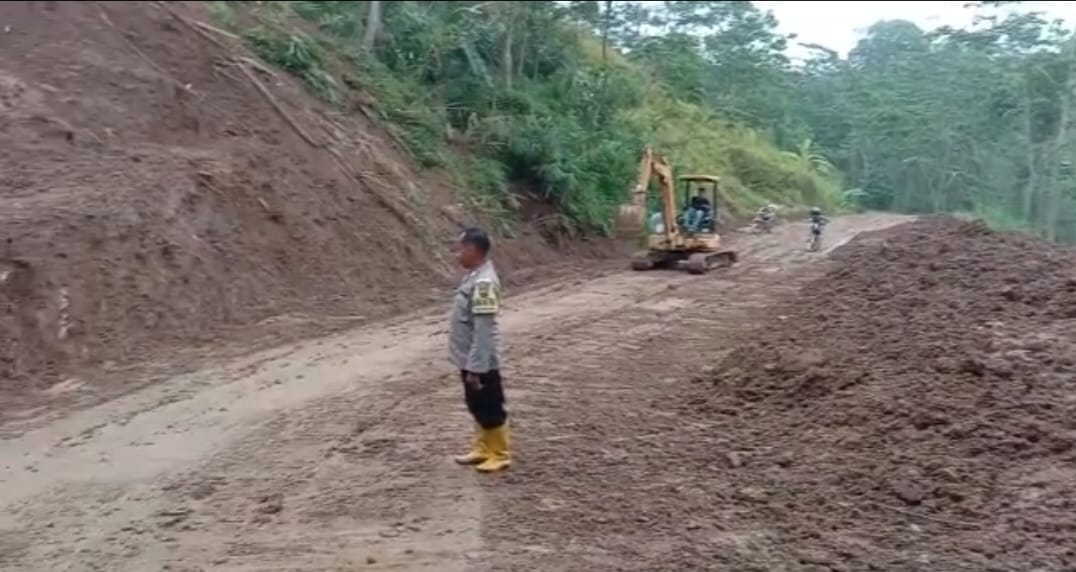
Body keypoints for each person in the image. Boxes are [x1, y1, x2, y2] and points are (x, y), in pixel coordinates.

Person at [449, 227, 511, 473]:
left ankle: (500, 453)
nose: (457, 254)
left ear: (472, 250)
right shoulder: (473, 276)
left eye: (459, 249)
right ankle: (483, 448)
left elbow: (483, 331)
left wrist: (476, 368)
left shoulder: (483, 283)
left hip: (481, 360)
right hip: (470, 358)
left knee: (490, 406)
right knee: (476, 404)